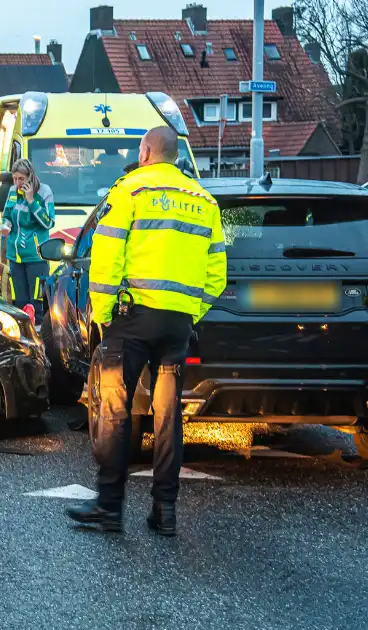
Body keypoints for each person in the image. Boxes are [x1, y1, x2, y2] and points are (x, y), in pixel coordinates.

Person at [65, 127, 227, 537]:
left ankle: (109, 507)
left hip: (131, 320)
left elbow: (106, 257)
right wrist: (190, 310)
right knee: (168, 417)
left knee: (116, 413)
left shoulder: (130, 191)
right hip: (176, 325)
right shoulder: (203, 201)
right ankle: (165, 510)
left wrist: (104, 316)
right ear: (175, 156)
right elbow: (216, 274)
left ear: (147, 151)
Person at [0, 159, 55, 318]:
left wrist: (31, 201)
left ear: (30, 176)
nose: (17, 183)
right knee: (19, 304)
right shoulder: (12, 191)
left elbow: (48, 222)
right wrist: (6, 225)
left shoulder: (44, 192)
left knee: (36, 304)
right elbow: (8, 215)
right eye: (15, 178)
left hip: (36, 256)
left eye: (21, 179)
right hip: (15, 256)